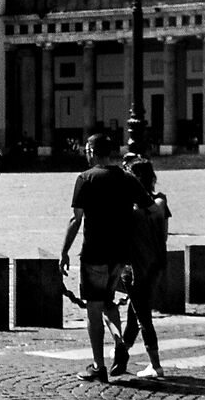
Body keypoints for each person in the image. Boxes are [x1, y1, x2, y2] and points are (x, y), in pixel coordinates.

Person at [60, 133, 156, 382]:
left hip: (95, 253)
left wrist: (64, 252)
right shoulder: (128, 178)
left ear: (92, 151)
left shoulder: (85, 178)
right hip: (120, 254)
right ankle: (119, 340)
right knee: (108, 302)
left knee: (94, 309)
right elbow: (151, 208)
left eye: (87, 150)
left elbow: (76, 219)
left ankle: (98, 366)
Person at [113, 156, 172, 377]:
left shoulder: (131, 207)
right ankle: (122, 354)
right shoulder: (160, 201)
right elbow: (164, 235)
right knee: (135, 311)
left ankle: (155, 364)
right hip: (156, 263)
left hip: (134, 266)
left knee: (142, 315)